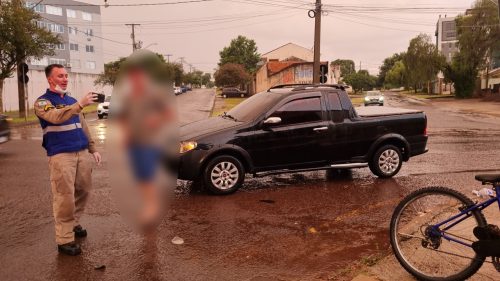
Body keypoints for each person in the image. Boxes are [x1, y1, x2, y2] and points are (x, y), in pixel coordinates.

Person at [34, 64, 102, 256]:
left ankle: (73, 222)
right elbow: (55, 117)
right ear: (50, 79)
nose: (65, 79)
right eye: (60, 76)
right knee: (64, 196)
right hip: (60, 155)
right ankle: (64, 239)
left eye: (66, 75)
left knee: (84, 189)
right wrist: (79, 104)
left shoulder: (71, 100)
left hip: (81, 152)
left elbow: (83, 126)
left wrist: (92, 148)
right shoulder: (42, 102)